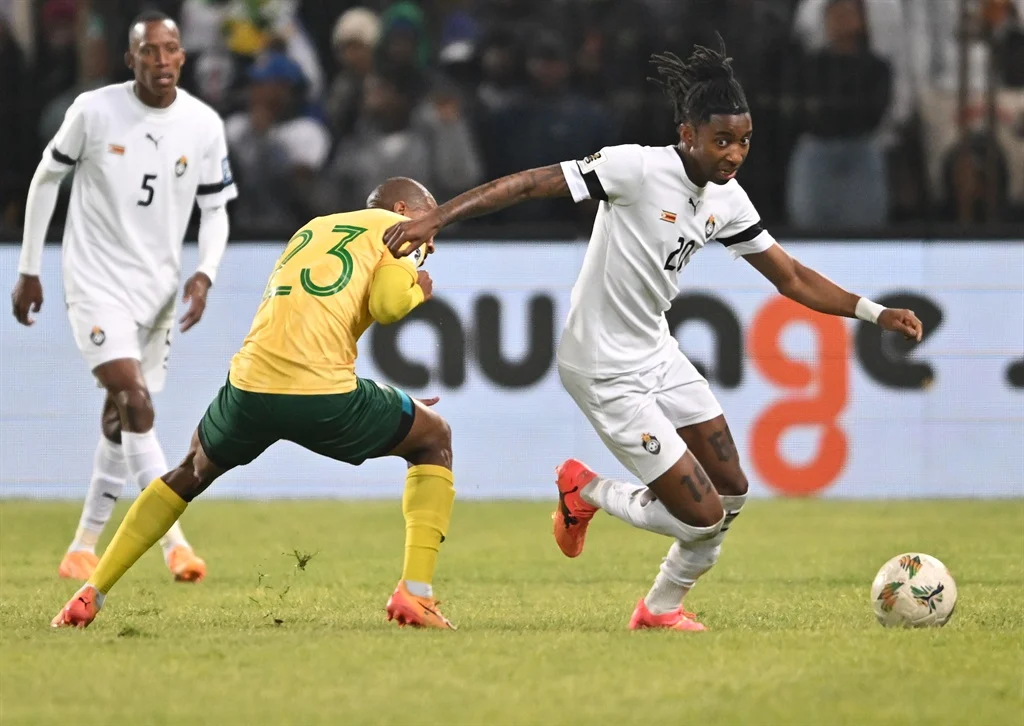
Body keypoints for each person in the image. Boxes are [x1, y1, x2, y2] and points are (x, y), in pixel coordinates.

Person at [382, 38, 924, 632]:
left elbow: (790, 276)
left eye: (744, 140)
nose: (735, 154)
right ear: (687, 134)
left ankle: (660, 609)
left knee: (732, 494)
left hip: (657, 353)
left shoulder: (728, 199)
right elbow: (531, 183)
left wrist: (874, 312)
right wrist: (438, 217)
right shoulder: (635, 168)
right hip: (601, 367)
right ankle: (585, 491)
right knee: (701, 518)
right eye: (722, 140)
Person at [52, 177, 458, 632]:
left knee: (189, 471)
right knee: (433, 437)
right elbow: (387, 305)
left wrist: (390, 399)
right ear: (402, 209)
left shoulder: (315, 229)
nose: (431, 240)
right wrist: (418, 289)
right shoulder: (398, 234)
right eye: (430, 221)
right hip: (321, 394)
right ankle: (415, 593)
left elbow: (307, 320)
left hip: (249, 385)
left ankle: (90, 592)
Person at [11, 11, 237, 584]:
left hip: (157, 291)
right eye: (148, 51)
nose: (161, 60)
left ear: (183, 56)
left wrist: (205, 273)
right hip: (95, 282)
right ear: (129, 59)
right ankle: (174, 545)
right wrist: (30, 269)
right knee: (136, 402)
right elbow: (45, 180)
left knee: (120, 416)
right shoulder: (93, 111)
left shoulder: (203, 124)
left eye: (170, 49)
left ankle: (82, 546)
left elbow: (215, 210)